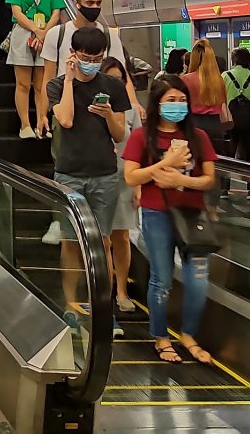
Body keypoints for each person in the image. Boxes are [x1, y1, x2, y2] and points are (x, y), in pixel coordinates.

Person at [122, 75, 217, 364]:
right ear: (158, 103)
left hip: (192, 216)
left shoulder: (198, 137)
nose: (178, 105)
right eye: (171, 100)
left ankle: (188, 334)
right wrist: (165, 165)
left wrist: (182, 180)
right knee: (161, 279)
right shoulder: (142, 137)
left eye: (182, 100)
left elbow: (210, 179)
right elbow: (131, 176)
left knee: (198, 281)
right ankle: (160, 336)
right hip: (157, 213)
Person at [40, 0, 141, 244]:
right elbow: (50, 82)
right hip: (65, 106)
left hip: (102, 157)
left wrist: (126, 109)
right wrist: (43, 112)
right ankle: (58, 225)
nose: (94, 8)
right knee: (64, 150)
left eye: (98, 3)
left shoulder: (109, 43)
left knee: (103, 234)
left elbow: (121, 73)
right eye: (90, 3)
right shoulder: (59, 36)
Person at [47, 26, 131, 338]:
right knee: (70, 243)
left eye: (97, 58)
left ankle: (102, 309)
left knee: (104, 242)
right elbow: (66, 120)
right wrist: (69, 80)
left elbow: (120, 134)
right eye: (85, 57)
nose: (91, 62)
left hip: (104, 173)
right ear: (73, 54)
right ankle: (70, 305)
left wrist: (109, 114)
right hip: (69, 173)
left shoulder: (112, 85)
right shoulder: (57, 85)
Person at [6, 0, 65, 139]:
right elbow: (16, 11)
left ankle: (42, 123)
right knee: (23, 84)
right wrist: (35, 29)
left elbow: (56, 12)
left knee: (42, 84)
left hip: (47, 35)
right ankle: (25, 125)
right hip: (24, 32)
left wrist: (44, 32)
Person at [102, 57, 142, 314]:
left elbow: (137, 146)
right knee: (103, 239)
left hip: (124, 177)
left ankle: (122, 291)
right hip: (98, 177)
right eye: (111, 78)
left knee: (122, 236)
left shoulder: (131, 111)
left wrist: (138, 185)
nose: (116, 84)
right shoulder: (93, 106)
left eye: (120, 79)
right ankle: (103, 292)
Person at [181, 40, 229, 210]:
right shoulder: (219, 80)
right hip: (215, 126)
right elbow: (223, 104)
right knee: (213, 170)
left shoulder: (186, 79)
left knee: (193, 167)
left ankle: (195, 205)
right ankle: (213, 209)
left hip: (194, 124)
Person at [223, 47, 250, 203]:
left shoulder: (224, 76)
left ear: (234, 60)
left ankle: (224, 189)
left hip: (230, 123)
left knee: (228, 157)